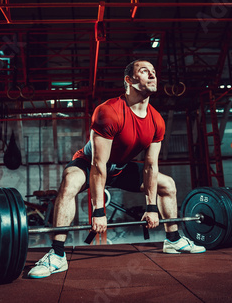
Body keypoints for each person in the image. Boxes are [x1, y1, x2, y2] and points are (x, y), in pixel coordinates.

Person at [27, 59, 205, 279]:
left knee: (167, 184)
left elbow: (150, 166)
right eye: (144, 71)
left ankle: (173, 240)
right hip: (91, 163)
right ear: (128, 80)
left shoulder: (157, 120)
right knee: (70, 180)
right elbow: (98, 165)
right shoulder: (109, 111)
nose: (152, 75)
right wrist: (99, 212)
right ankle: (57, 254)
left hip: (120, 167)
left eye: (154, 72)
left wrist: (151, 207)